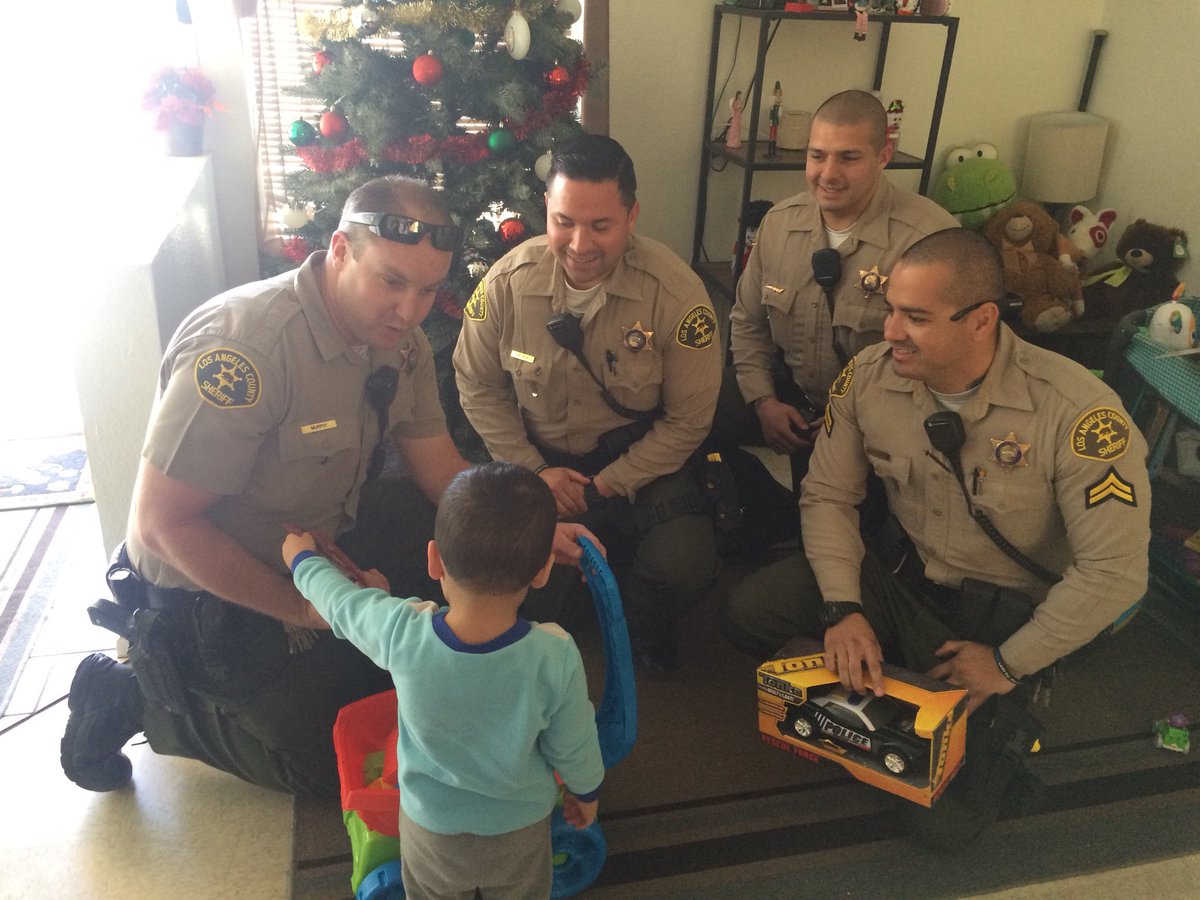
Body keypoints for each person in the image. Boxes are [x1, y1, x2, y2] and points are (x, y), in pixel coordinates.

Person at [61, 175, 599, 798]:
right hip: (213, 593)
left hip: (329, 545)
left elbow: (438, 469)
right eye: (391, 282)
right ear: (341, 251)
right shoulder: (245, 349)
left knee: (480, 606)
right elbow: (163, 524)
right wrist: (303, 609)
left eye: (427, 289)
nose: (410, 310)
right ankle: (140, 699)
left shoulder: (401, 343)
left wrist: (530, 531)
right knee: (337, 766)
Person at [722, 228, 1151, 847]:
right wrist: (843, 609)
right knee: (748, 613)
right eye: (891, 309)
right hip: (903, 581)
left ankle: (998, 691)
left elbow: (1113, 573)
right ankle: (898, 679)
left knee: (944, 828)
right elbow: (828, 496)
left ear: (980, 320)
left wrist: (1006, 664)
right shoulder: (870, 376)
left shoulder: (1078, 413)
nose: (890, 330)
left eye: (915, 317)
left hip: (1000, 621)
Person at [453, 134, 723, 671]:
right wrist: (533, 472)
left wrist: (607, 484)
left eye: (600, 225)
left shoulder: (675, 293)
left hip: (639, 465)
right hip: (538, 463)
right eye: (564, 222)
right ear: (547, 211)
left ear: (632, 215)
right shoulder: (507, 283)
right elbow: (476, 384)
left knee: (684, 564)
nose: (580, 244)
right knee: (512, 580)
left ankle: (641, 626)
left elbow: (688, 420)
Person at [283, 462, 604, 899]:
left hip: (430, 827)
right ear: (544, 571)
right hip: (518, 830)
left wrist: (303, 561)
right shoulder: (555, 653)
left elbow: (343, 604)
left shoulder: (401, 631)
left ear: (434, 559)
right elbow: (575, 741)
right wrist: (587, 792)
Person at [720, 89, 957, 487]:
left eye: (848, 157)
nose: (827, 174)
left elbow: (946, 362)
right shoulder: (780, 225)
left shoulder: (929, 240)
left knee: (835, 523)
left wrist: (850, 430)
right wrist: (765, 403)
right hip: (794, 400)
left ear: (883, 156)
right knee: (689, 409)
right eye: (817, 156)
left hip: (878, 422)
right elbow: (748, 321)